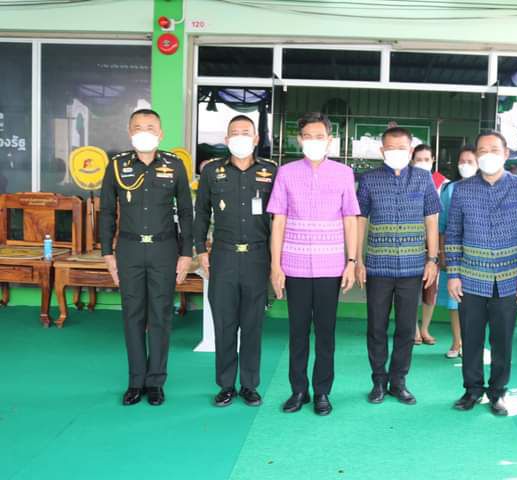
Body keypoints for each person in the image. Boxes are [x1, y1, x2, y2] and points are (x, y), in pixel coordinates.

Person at [267, 112, 359, 416]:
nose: (314, 141)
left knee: (325, 333)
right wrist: (276, 266)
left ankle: (322, 392)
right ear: (299, 139)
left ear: (330, 140)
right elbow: (279, 220)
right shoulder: (286, 173)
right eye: (308, 136)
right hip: (294, 266)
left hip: (330, 267)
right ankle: (298, 390)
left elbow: (350, 219)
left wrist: (351, 261)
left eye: (320, 136)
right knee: (297, 333)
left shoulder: (343, 173)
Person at [99, 109, 193, 406]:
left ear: (160, 133)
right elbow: (106, 212)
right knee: (133, 315)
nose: (144, 132)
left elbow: (186, 212)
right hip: (129, 249)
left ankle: (155, 382)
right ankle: (135, 381)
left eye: (150, 127)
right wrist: (107, 253)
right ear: (130, 133)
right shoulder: (117, 166)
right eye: (138, 127)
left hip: (164, 249)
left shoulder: (175, 165)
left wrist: (186, 254)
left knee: (161, 316)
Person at [446, 132, 517, 415]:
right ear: (476, 154)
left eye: (494, 149)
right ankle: (472, 390)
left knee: (502, 340)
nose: (488, 154)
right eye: (482, 150)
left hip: (509, 278)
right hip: (471, 277)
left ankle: (498, 392)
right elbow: (453, 233)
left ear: (506, 153)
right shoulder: (462, 189)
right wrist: (453, 273)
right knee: (471, 338)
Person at [193, 115, 276, 408]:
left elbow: (279, 218)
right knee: (225, 324)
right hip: (223, 255)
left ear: (255, 139)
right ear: (227, 140)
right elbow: (201, 213)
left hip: (257, 256)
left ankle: (250, 385)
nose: (240, 137)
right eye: (235, 133)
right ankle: (226, 385)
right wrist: (200, 250)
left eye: (246, 132)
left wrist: (276, 260)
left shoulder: (270, 171)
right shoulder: (211, 171)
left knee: (252, 325)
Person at [356, 127, 440, 406]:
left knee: (406, 329)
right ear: (382, 151)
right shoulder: (369, 180)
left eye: (401, 148)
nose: (396, 153)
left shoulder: (423, 179)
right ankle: (378, 382)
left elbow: (431, 220)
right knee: (376, 327)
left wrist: (432, 259)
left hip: (412, 269)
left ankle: (398, 382)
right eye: (390, 148)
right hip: (378, 267)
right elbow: (360, 220)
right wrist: (357, 260)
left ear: (410, 150)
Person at [438, 146, 478, 358]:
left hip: (477, 256)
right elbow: (442, 225)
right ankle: (457, 342)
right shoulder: (449, 189)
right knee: (455, 302)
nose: (465, 165)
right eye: (462, 161)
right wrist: (443, 253)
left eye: (470, 161)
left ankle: (473, 343)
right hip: (455, 255)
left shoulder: (486, 187)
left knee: (477, 302)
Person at [411, 144, 449, 346]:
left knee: (430, 288)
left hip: (433, 243)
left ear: (433, 160)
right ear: (412, 161)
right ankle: (414, 329)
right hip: (412, 242)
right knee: (410, 289)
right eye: (419, 159)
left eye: (427, 159)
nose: (423, 163)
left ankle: (425, 328)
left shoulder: (443, 184)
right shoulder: (406, 181)